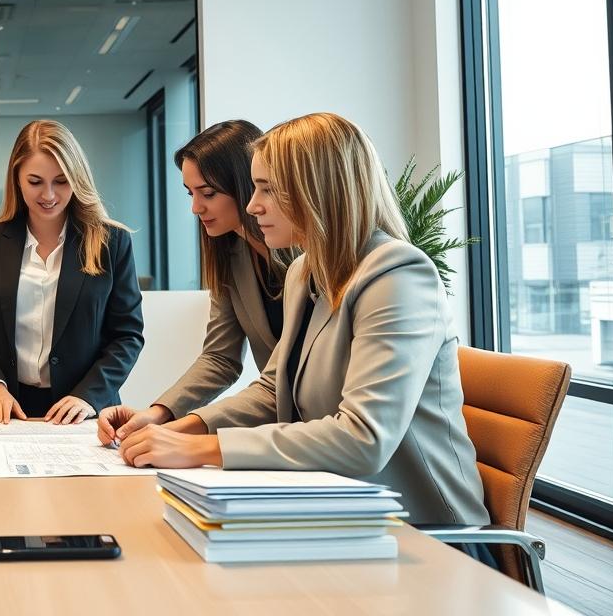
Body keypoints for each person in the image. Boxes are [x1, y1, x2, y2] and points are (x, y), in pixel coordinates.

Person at [116, 112, 488, 527]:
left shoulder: (398, 274)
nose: (253, 205)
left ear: (319, 190)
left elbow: (363, 439)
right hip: (334, 505)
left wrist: (204, 448)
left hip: (424, 531)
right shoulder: (305, 272)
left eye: (267, 190)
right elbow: (273, 389)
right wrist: (184, 429)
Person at [98, 120, 288, 445]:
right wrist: (158, 413)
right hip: (289, 428)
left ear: (246, 184)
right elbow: (220, 358)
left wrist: (180, 434)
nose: (196, 207)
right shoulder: (231, 255)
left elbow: (278, 382)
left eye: (208, 193)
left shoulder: (306, 259)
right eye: (191, 193)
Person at [0, 120, 144, 424]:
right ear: (16, 178)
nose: (48, 194)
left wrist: (88, 395)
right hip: (11, 410)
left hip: (84, 411)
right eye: (35, 181)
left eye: (61, 181)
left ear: (77, 178)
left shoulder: (112, 242)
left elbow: (127, 336)